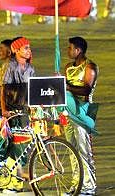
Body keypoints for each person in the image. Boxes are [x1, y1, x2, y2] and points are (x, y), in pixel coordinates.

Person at [0, 37, 35, 185]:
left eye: (29, 48)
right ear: (16, 50)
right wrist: (3, 110)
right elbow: (2, 89)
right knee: (3, 135)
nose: (29, 51)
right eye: (25, 48)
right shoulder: (9, 66)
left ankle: (12, 175)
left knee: (21, 138)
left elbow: (30, 90)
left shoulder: (30, 69)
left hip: (17, 107)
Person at [63, 37, 98, 195]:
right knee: (71, 148)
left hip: (82, 111)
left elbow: (86, 90)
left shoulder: (90, 66)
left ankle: (88, 186)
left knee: (84, 150)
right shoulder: (68, 67)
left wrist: (67, 87)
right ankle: (77, 183)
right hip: (68, 111)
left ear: (78, 50)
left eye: (70, 48)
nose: (68, 51)